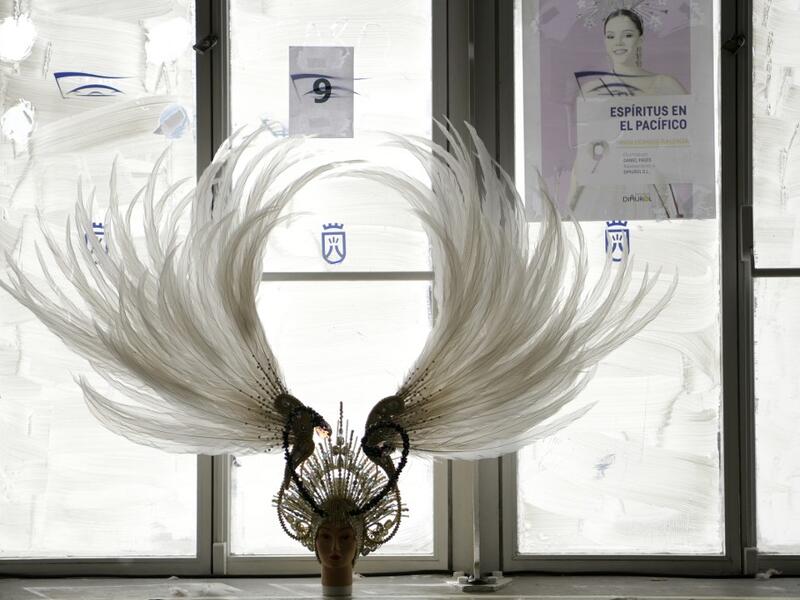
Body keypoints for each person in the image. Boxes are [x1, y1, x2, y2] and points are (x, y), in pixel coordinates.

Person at [576, 8, 687, 98]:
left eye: (627, 35)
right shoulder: (591, 90)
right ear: (605, 41)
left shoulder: (666, 85)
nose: (618, 42)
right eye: (611, 36)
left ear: (640, 40)